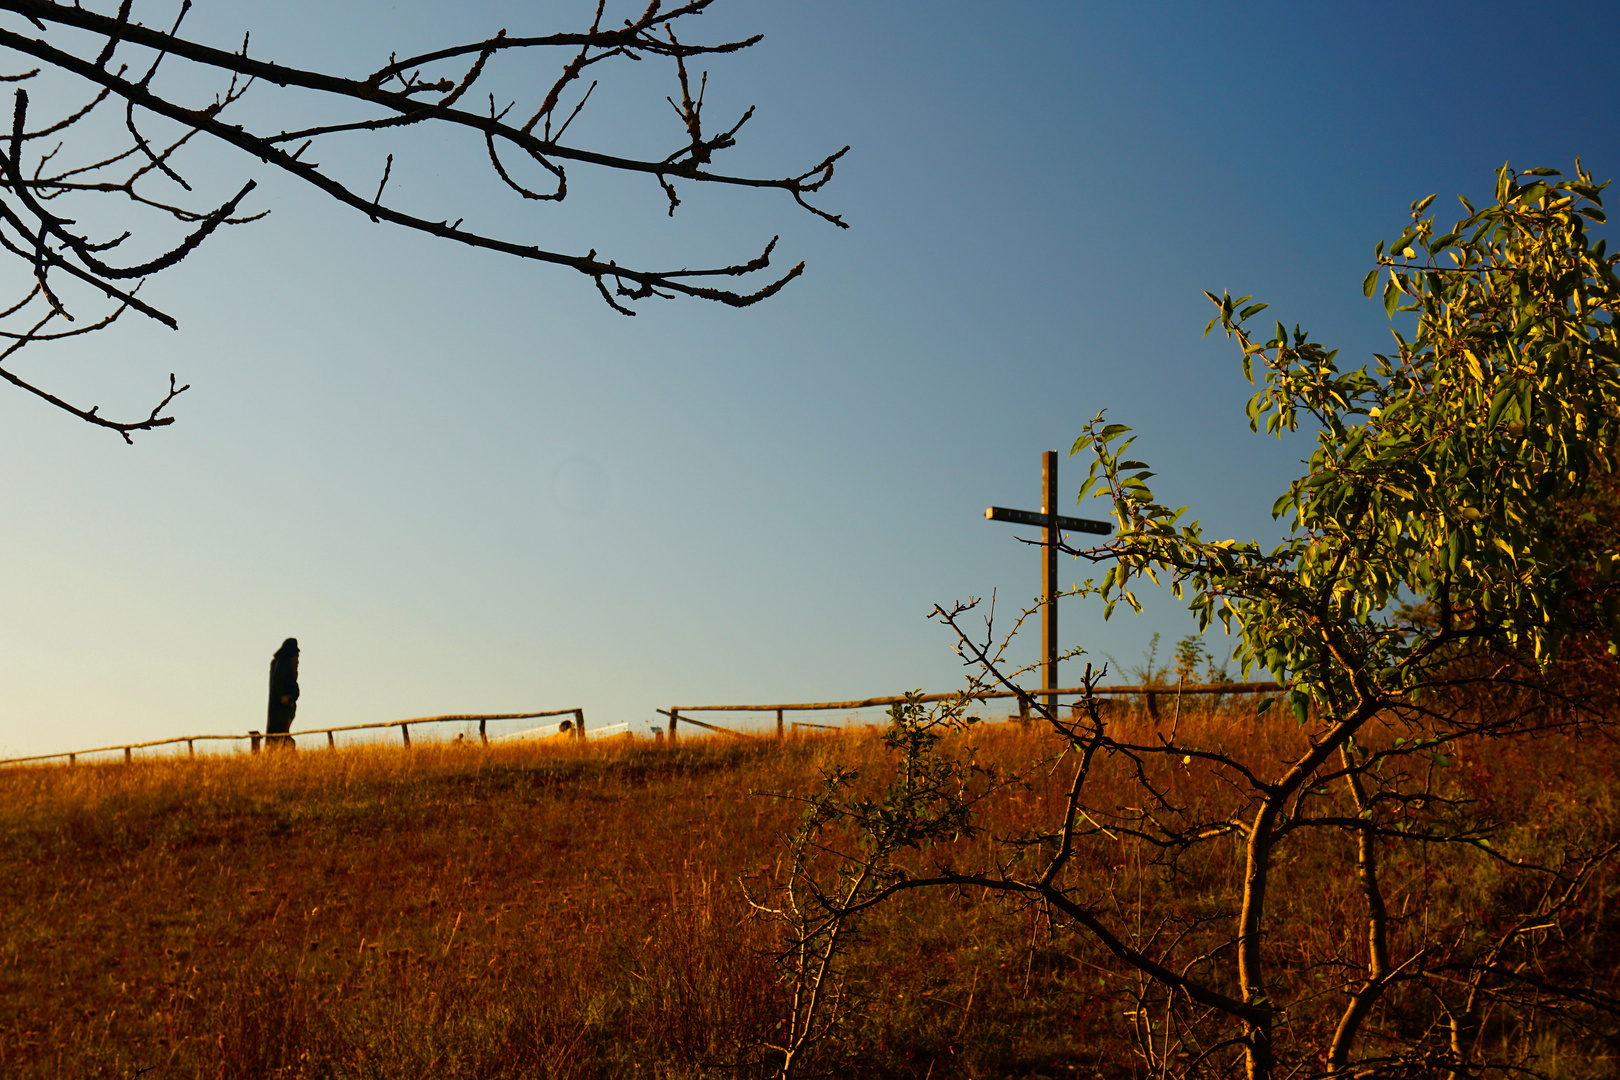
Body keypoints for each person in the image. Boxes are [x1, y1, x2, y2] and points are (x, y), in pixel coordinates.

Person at [266, 638, 300, 750]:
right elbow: (278, 681)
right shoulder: (283, 663)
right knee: (279, 731)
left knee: (282, 732)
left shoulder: (285, 663)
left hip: (287, 703)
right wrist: (282, 696)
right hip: (282, 706)